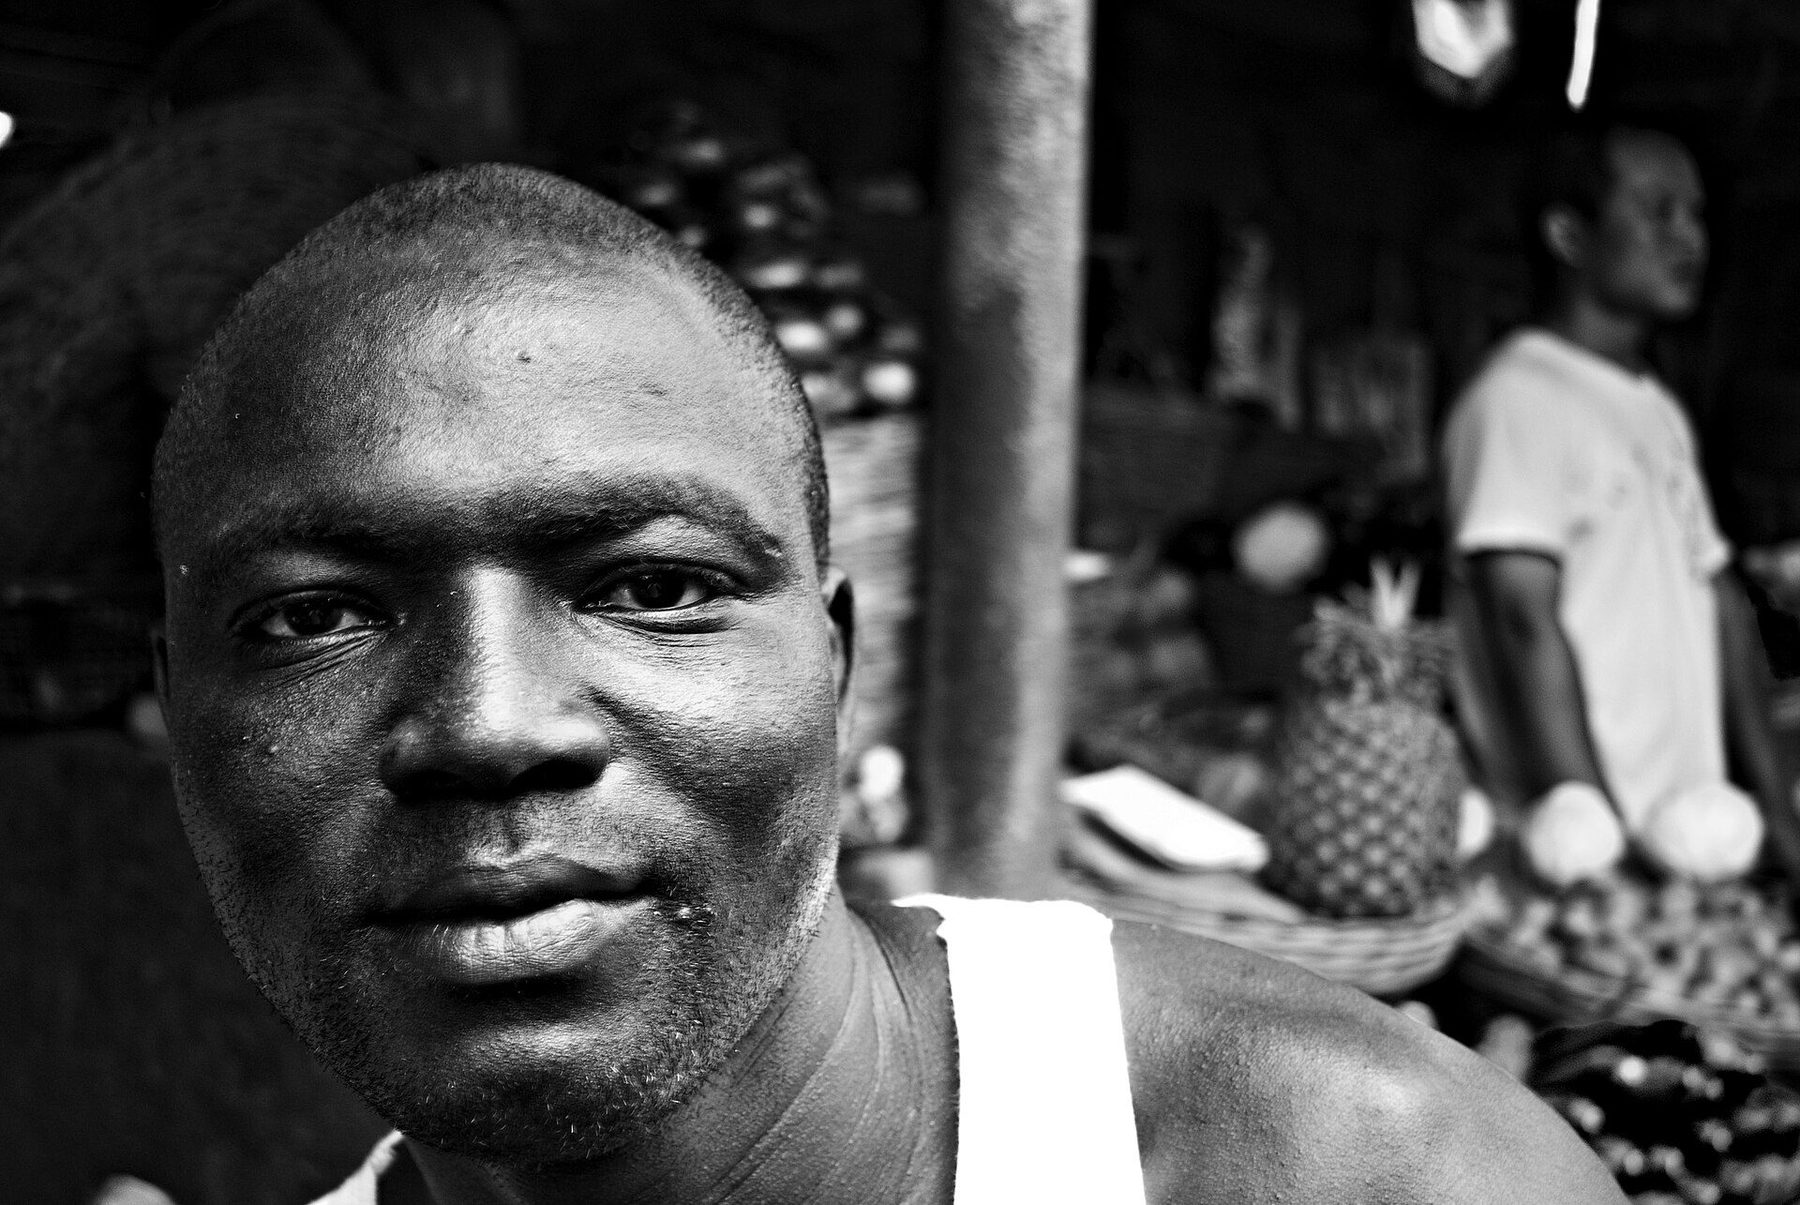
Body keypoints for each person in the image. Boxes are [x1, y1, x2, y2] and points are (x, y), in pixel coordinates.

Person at [151, 163, 1621, 1204]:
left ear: (837, 665)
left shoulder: (1370, 1173)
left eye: (653, 587)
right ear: (178, 724)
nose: (489, 723)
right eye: (312, 617)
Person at [1443, 120, 1800, 880]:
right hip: (1578, 870)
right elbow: (1521, 621)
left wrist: (1777, 814)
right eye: (1659, 210)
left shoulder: (1657, 410)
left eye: (1696, 214)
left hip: (1681, 850)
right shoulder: (1516, 397)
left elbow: (1724, 607)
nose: (1691, 239)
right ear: (1569, 233)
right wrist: (1594, 842)